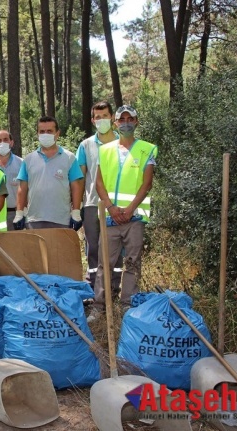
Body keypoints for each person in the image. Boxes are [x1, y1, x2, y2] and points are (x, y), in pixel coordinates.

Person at [88, 105, 158, 322]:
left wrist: (129, 210)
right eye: (122, 119)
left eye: (130, 118)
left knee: (133, 261)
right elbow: (98, 182)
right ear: (115, 123)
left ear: (136, 121)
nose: (126, 122)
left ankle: (127, 304)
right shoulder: (105, 150)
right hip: (110, 217)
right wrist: (110, 207)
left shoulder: (147, 149)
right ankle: (99, 306)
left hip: (134, 218)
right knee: (104, 263)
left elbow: (147, 184)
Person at [75, 102, 123, 292]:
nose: (101, 120)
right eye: (98, 117)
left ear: (112, 117)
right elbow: (80, 178)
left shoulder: (123, 143)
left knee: (117, 248)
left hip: (118, 205)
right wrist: (76, 208)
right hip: (92, 204)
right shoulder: (86, 145)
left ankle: (114, 286)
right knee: (93, 248)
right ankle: (94, 287)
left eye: (105, 116)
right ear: (92, 120)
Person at [14, 116, 84, 230]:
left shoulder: (69, 158)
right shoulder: (28, 159)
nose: (45, 134)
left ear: (57, 133)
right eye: (42, 131)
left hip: (61, 219)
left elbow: (76, 187)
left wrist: (76, 212)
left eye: (49, 131)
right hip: (34, 219)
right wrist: (19, 213)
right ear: (37, 134)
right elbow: (22, 188)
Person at [0, 130, 23, 231]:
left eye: (5, 140)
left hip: (14, 214)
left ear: (11, 142)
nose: (2, 143)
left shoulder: (21, 163)